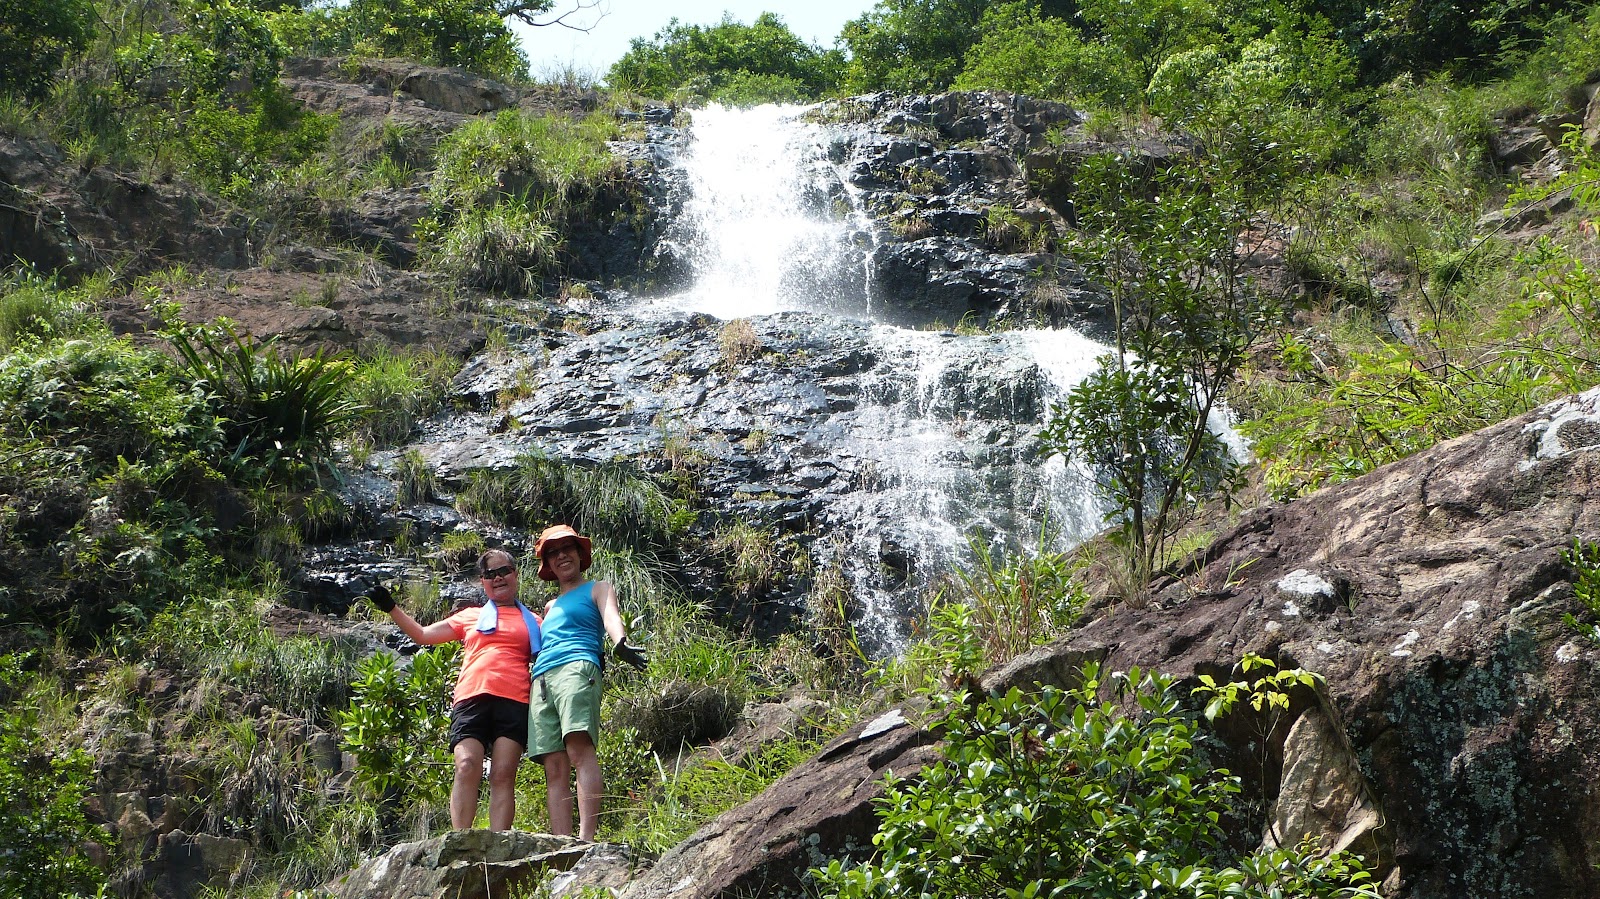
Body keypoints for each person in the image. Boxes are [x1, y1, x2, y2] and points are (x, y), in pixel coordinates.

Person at [365, 548, 541, 831]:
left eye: (504, 571)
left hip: (515, 699)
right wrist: (390, 607)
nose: (498, 578)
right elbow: (423, 635)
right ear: (483, 581)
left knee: (503, 773)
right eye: (490, 574)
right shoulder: (470, 616)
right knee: (467, 765)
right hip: (471, 697)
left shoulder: (535, 621)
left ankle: (499, 844)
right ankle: (461, 840)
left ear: (515, 574)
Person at [528, 523, 648, 841]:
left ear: (580, 554)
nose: (561, 556)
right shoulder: (550, 607)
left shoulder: (598, 588)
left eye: (567, 548)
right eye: (553, 552)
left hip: (577, 668)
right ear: (547, 564)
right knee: (554, 765)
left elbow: (611, 616)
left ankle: (585, 840)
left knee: (579, 749)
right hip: (542, 679)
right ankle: (561, 844)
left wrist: (619, 640)